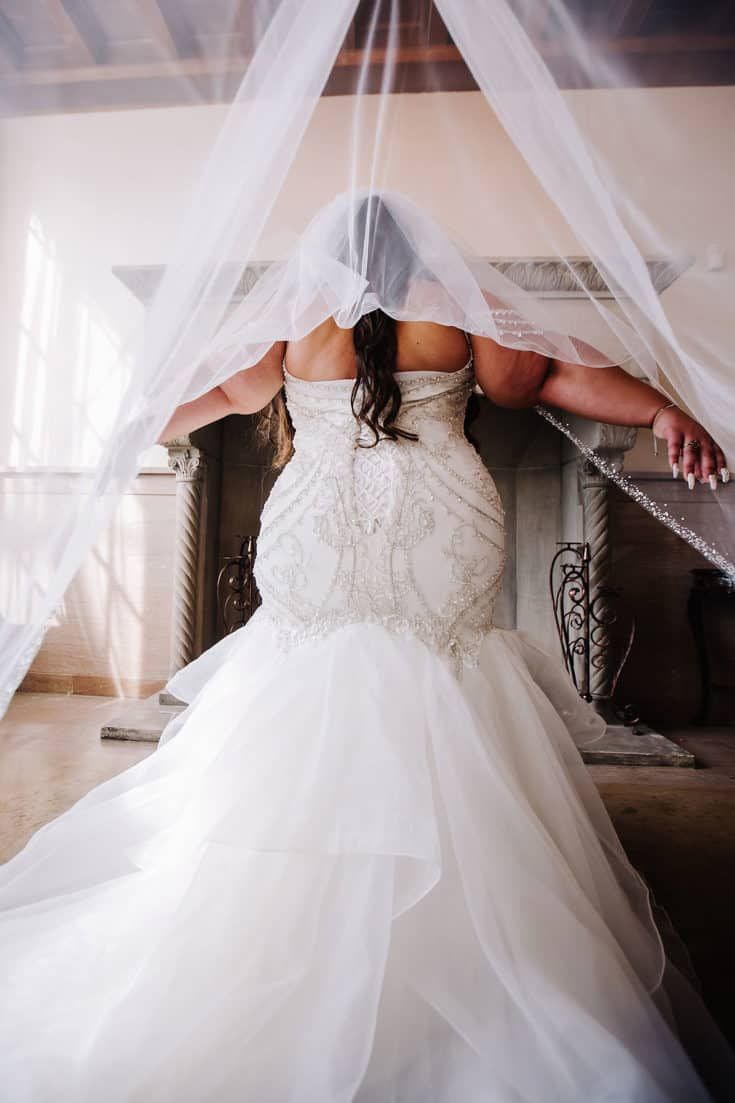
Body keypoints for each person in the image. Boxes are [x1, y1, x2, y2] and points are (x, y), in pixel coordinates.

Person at [0, 200, 731, 1103]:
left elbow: (224, 397)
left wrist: (122, 426)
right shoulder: (458, 305)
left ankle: (285, 915)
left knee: (306, 688)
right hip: (441, 528)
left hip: (316, 529)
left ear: (328, 257)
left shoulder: (295, 314)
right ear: (424, 250)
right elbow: (534, 380)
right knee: (439, 689)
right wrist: (659, 410)